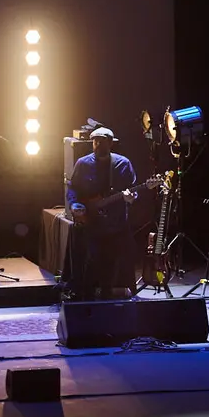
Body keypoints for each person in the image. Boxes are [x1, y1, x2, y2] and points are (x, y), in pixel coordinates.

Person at [66, 126, 139, 300]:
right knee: (90, 261)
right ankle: (85, 295)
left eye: (101, 141)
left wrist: (132, 198)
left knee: (118, 260)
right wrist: (75, 205)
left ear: (111, 143)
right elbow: (72, 189)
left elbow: (133, 190)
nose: (97, 144)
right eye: (95, 141)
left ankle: (113, 295)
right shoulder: (83, 164)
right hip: (92, 222)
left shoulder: (123, 164)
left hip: (116, 223)